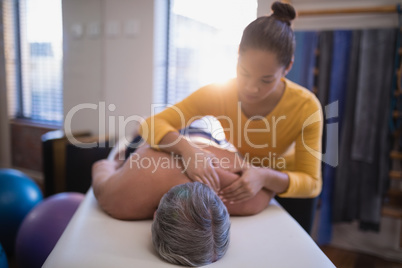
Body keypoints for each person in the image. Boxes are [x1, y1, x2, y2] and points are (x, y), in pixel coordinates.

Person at [138, 1, 323, 204]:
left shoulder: (306, 106)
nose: (251, 88)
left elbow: (312, 183)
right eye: (244, 73)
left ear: (287, 67)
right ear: (237, 55)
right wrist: (188, 151)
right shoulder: (219, 93)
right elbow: (149, 124)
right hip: (243, 177)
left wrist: (265, 176)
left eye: (266, 80)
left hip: (286, 185)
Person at [92, 134, 274, 266]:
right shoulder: (119, 200)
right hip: (168, 139)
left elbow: (103, 164)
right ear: (155, 217)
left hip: (192, 138)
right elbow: (102, 166)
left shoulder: (246, 199)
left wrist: (119, 163)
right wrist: (119, 166)